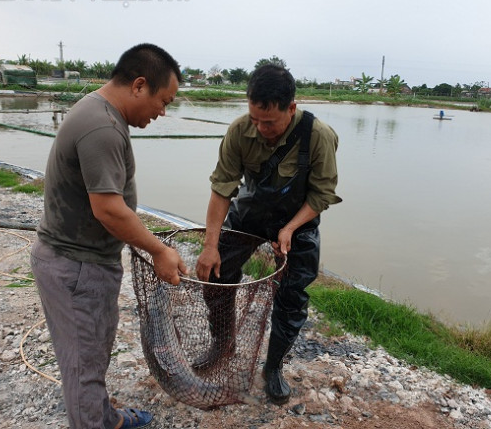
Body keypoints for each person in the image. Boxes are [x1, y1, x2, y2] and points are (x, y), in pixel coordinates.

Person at [31, 43, 187, 429]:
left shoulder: (100, 111)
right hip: (75, 268)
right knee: (83, 367)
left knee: (92, 355)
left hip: (86, 264)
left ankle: (108, 420)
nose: (162, 112)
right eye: (163, 101)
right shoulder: (102, 126)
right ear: (139, 85)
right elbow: (109, 209)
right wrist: (159, 250)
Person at [194, 64, 342, 404]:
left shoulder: (319, 136)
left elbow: (322, 195)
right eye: (255, 119)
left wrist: (290, 228)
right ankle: (223, 344)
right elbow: (221, 190)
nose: (261, 129)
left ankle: (273, 367)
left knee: (292, 295)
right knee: (215, 272)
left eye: (270, 122)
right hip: (250, 212)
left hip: (298, 219)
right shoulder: (239, 131)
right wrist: (210, 245)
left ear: (291, 108)